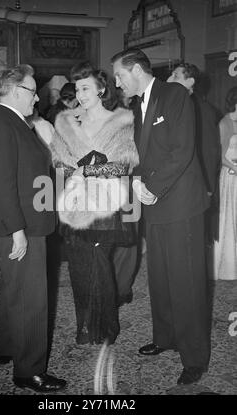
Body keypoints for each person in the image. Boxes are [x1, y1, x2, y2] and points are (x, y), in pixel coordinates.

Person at [112, 47, 210, 385]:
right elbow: (144, 155)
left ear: (137, 70)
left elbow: (182, 150)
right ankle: (166, 337)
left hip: (180, 203)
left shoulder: (175, 94)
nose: (116, 82)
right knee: (161, 277)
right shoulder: (138, 106)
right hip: (154, 204)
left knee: (187, 282)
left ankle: (195, 356)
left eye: (119, 75)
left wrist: (152, 187)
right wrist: (136, 182)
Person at [34, 61, 139, 345]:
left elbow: (124, 165)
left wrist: (90, 169)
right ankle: (85, 326)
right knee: (78, 266)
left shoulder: (120, 121)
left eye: (85, 88)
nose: (80, 94)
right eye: (77, 88)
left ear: (101, 89)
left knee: (99, 263)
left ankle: (106, 327)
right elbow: (57, 159)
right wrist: (73, 168)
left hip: (105, 206)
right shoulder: (68, 121)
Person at [0, 64, 66, 393]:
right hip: (20, 226)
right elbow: (0, 184)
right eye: (33, 91)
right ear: (17, 92)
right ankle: (29, 370)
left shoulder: (9, 121)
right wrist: (17, 229)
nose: (37, 97)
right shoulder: (4, 124)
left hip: (19, 222)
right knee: (32, 298)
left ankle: (6, 348)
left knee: (12, 289)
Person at [167, 63, 221, 243]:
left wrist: (208, 187)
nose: (168, 80)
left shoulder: (201, 109)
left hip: (194, 186)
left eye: (175, 76)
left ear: (190, 82)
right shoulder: (174, 106)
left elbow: (209, 150)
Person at [214, 87, 237, 280]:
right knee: (229, 218)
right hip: (230, 176)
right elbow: (219, 156)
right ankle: (227, 266)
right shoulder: (225, 122)